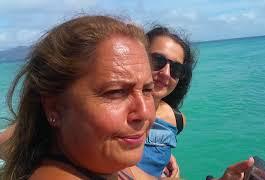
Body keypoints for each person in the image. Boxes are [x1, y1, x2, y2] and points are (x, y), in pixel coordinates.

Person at [1, 15, 156, 180]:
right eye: (115, 92)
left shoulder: (105, 166)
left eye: (147, 90)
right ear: (53, 107)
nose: (145, 113)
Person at [136, 26, 196, 178]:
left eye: (176, 69)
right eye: (157, 60)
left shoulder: (176, 120)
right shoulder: (114, 113)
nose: (166, 73)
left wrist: (164, 155)